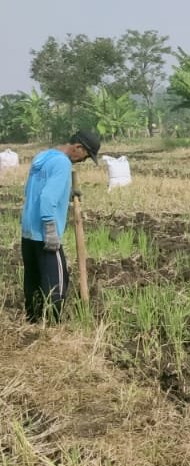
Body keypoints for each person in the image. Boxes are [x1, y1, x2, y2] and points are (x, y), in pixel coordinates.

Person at [20, 130, 99, 322]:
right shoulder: (63, 163)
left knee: (33, 278)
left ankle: (33, 320)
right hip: (45, 233)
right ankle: (53, 324)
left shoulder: (43, 156)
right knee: (57, 281)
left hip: (28, 232)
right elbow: (47, 197)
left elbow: (33, 190)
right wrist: (50, 228)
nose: (83, 161)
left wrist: (66, 192)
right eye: (85, 156)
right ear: (78, 147)